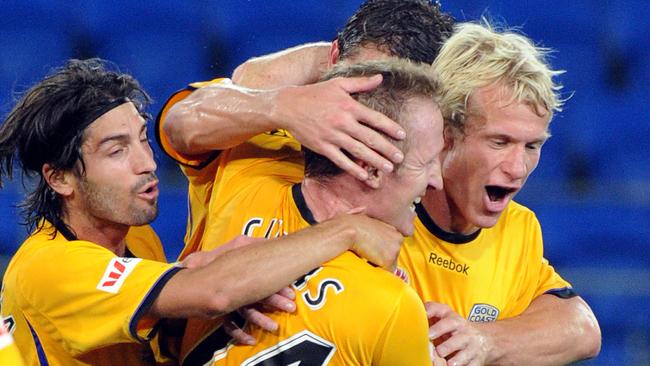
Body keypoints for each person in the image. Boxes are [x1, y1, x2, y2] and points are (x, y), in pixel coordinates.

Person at [159, 1, 601, 365]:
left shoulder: (498, 227)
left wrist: (487, 341)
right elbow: (185, 119)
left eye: (531, 146)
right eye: (500, 141)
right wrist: (291, 102)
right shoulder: (272, 155)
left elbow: (581, 326)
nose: (517, 166)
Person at [0, 58, 404, 366]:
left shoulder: (132, 236)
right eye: (117, 150)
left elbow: (164, 314)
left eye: (142, 138)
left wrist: (206, 286)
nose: (147, 162)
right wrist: (346, 231)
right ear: (59, 179)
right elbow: (214, 293)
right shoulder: (49, 267)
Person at [182, 59, 447, 365]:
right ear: (369, 167)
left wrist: (281, 103)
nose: (437, 181)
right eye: (426, 163)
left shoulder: (242, 169)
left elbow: (193, 112)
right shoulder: (391, 306)